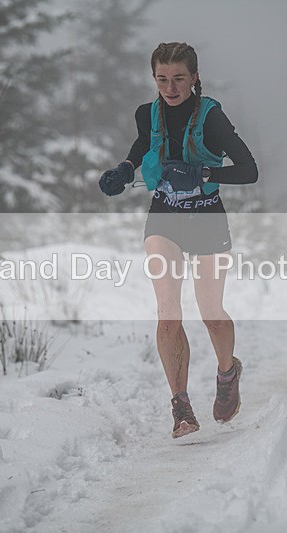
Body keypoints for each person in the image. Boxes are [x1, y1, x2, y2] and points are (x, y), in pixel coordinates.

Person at [98, 42, 258, 438]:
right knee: (168, 312)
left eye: (179, 79)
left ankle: (227, 372)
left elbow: (250, 170)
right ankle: (181, 406)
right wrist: (125, 168)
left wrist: (204, 175)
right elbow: (143, 144)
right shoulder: (146, 113)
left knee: (210, 313)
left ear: (195, 77)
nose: (170, 88)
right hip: (164, 218)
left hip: (207, 219)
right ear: (154, 78)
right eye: (162, 79)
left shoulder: (212, 117)